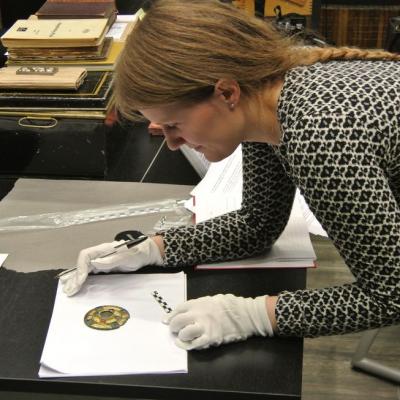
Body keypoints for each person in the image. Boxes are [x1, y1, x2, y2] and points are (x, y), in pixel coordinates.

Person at [61, 0, 400, 350]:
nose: (173, 144)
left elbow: (391, 295)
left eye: (175, 124)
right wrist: (153, 249)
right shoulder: (264, 97)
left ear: (225, 92)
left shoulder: (320, 133)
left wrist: (253, 315)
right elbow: (258, 223)